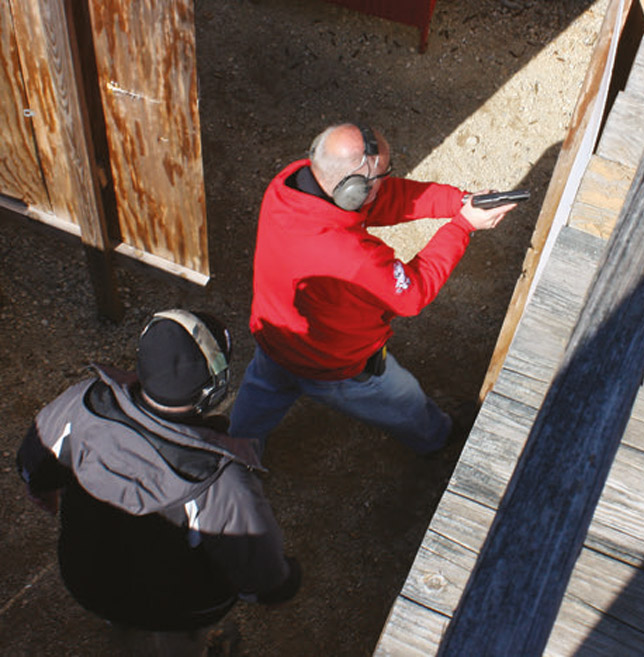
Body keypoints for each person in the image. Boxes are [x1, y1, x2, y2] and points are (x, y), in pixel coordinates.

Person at [230, 122, 517, 456]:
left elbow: (387, 198)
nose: (388, 181)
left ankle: (233, 457)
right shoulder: (353, 256)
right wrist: (463, 226)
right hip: (337, 367)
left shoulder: (288, 187)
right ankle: (438, 436)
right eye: (384, 174)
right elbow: (412, 295)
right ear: (354, 190)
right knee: (403, 398)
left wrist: (460, 201)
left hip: (274, 342)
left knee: (256, 403)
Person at [17, 309, 300, 634]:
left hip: (83, 579)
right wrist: (289, 581)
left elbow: (32, 468)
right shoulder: (221, 481)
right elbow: (262, 581)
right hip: (181, 612)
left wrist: (47, 493)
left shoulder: (83, 403)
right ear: (214, 389)